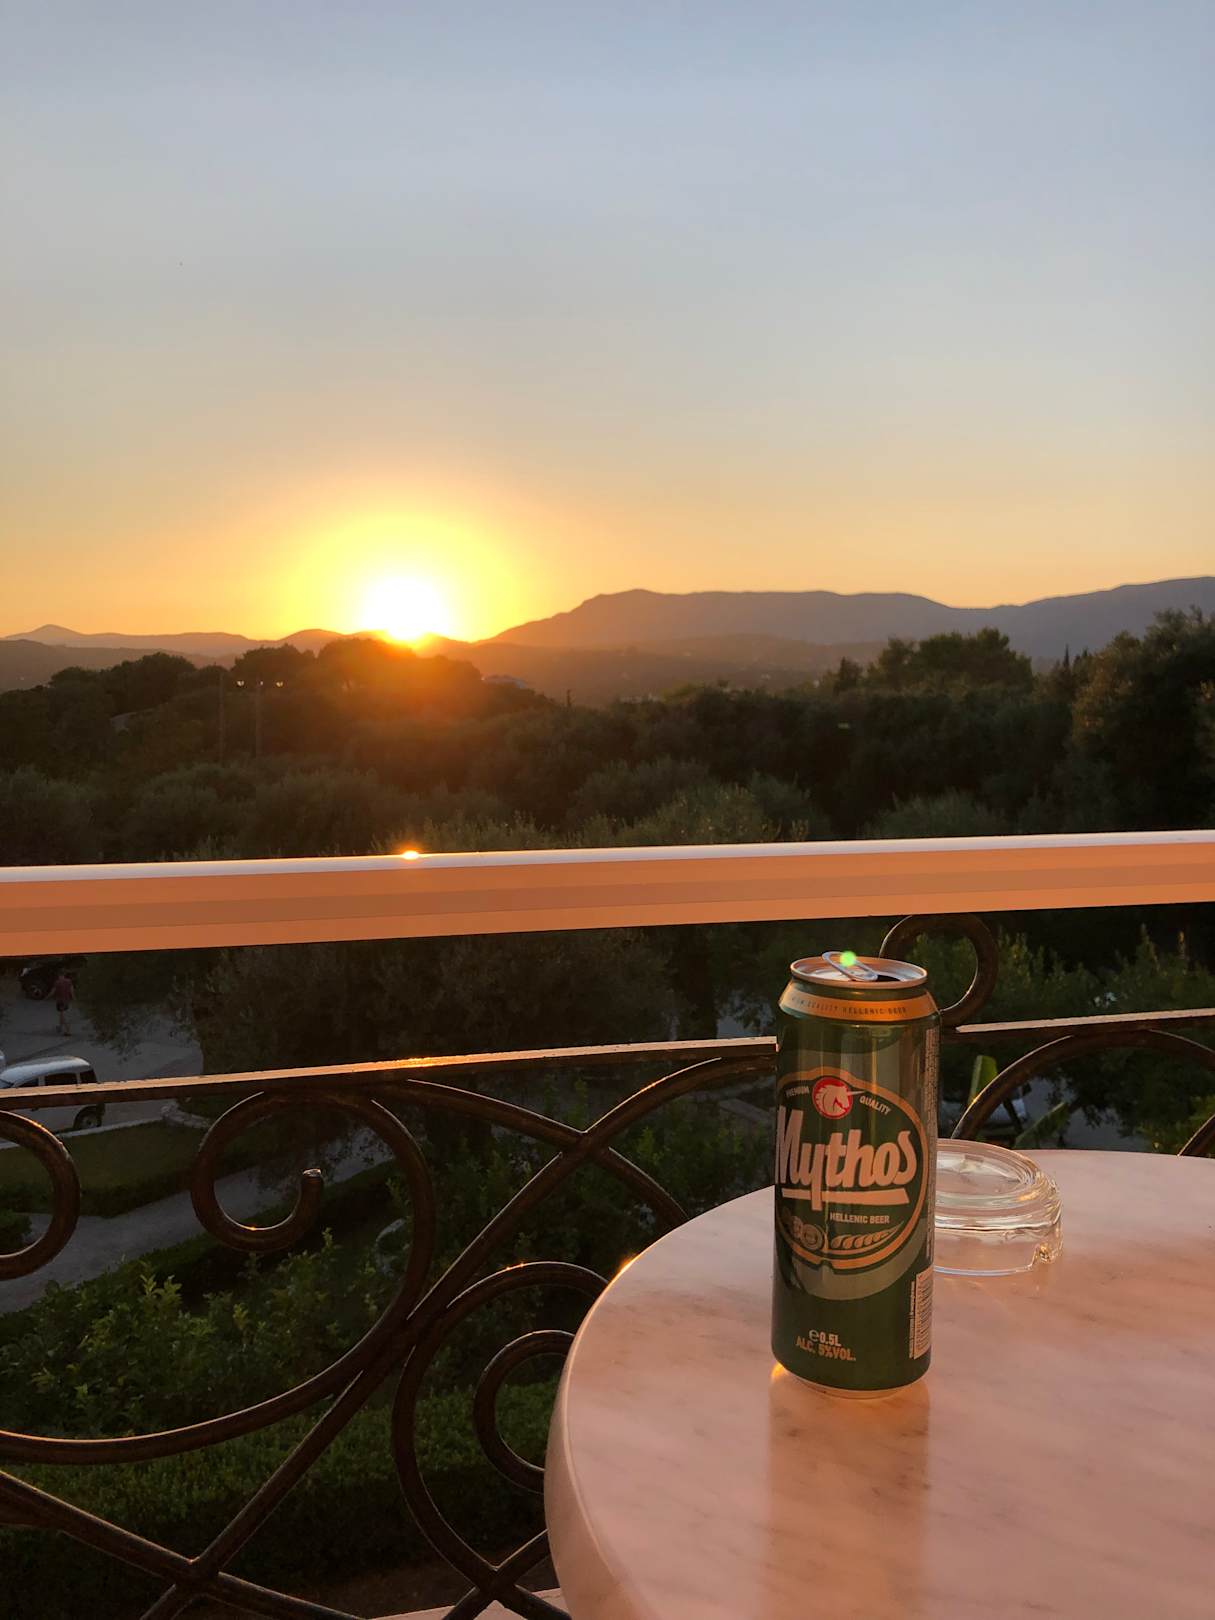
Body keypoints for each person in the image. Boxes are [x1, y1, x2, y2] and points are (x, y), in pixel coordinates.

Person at [51, 971, 74, 1036]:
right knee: (61, 1014)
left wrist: (46, 997)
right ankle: (60, 1027)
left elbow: (52, 992)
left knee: (63, 1016)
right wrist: (74, 998)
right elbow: (72, 991)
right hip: (66, 1001)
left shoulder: (57, 982)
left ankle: (68, 1031)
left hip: (60, 1001)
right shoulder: (69, 981)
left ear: (59, 976)